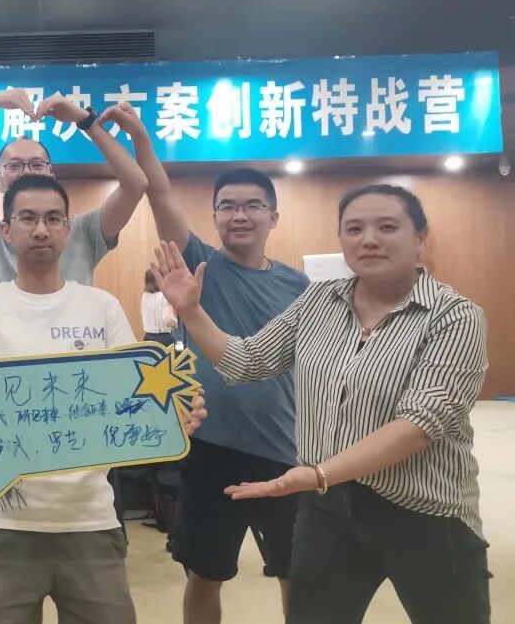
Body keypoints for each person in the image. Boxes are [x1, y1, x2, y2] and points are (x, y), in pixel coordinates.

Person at [151, 184, 491, 624]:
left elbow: (421, 422)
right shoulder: (318, 301)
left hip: (424, 511)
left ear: (420, 237)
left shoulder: (455, 315)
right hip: (328, 510)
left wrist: (318, 473)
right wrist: (193, 312)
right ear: (341, 238)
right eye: (355, 228)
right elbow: (247, 361)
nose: (369, 239)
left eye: (388, 227)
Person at [0, 175, 206, 624]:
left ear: (68, 229)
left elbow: (135, 404)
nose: (41, 229)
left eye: (54, 219)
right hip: (1, 524)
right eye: (28, 218)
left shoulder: (101, 307)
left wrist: (174, 416)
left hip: (90, 521)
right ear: (6, 229)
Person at [104, 104, 308, 624]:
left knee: (297, 573)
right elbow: (158, 192)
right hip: (210, 448)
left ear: (273, 217)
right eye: (227, 206)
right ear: (214, 216)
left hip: (286, 449)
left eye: (253, 205)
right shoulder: (199, 265)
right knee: (204, 574)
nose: (240, 215)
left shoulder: (299, 286)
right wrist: (140, 134)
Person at [0, 87, 148, 290]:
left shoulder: (82, 231)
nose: (27, 172)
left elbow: (136, 184)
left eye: (37, 164)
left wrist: (84, 119)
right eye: (14, 166)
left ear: (51, 177)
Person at [141, 269, 177, 348]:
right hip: (164, 339)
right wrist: (175, 321)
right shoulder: (164, 296)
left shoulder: (145, 296)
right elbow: (168, 320)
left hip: (147, 337)